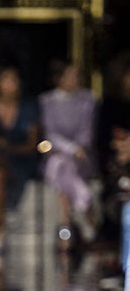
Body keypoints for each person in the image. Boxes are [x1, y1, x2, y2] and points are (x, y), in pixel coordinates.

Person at [39, 62, 98, 248]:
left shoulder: (88, 99)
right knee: (60, 164)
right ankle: (86, 208)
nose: (75, 79)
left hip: (83, 157)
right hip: (57, 153)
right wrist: (71, 149)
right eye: (70, 75)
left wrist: (77, 149)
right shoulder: (47, 101)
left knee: (62, 167)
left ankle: (65, 229)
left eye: (77, 75)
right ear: (59, 78)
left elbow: (87, 132)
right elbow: (50, 133)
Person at [0, 66, 39, 237]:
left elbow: (32, 145)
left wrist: (7, 146)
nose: (10, 85)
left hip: (21, 160)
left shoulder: (28, 108)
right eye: (5, 80)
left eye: (13, 80)